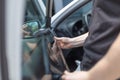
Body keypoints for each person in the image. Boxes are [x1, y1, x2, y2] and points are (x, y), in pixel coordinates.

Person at [54, 0, 120, 79]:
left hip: (106, 74)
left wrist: (91, 76)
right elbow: (106, 28)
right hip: (91, 66)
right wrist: (73, 42)